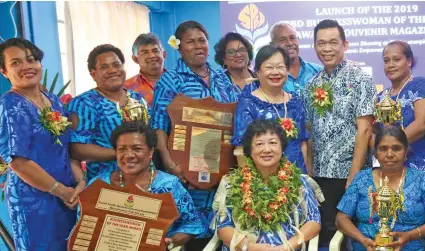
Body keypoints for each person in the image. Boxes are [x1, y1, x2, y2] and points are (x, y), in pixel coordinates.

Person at [151, 20, 241, 249]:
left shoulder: (222, 76)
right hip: (185, 171)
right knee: (193, 234)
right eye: (190, 42)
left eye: (202, 40)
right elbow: (159, 126)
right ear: (179, 47)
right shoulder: (170, 80)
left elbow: (234, 119)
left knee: (222, 229)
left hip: (221, 171)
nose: (198, 46)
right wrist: (171, 165)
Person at [0, 37, 85, 250]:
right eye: (16, 62)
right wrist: (60, 191)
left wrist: (79, 183)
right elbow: (18, 162)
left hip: (68, 194)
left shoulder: (52, 100)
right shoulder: (10, 104)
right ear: (4, 72)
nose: (26, 66)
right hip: (34, 200)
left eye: (31, 59)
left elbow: (65, 149)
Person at [302, 19, 375, 246]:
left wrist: (354, 174)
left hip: (349, 173)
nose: (327, 49)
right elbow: (310, 132)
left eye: (333, 42)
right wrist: (311, 174)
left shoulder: (361, 79)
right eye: (321, 43)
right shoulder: (311, 85)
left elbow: (364, 131)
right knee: (325, 232)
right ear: (314, 46)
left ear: (345, 44)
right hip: (321, 174)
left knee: (349, 233)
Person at [86, 121, 206, 248]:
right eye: (122, 149)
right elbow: (84, 224)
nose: (129, 155)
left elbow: (193, 225)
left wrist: (170, 242)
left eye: (137, 149)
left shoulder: (169, 185)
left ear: (151, 152)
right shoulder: (98, 184)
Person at [214, 119, 320, 250]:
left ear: (282, 148)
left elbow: (314, 221)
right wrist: (250, 247)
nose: (267, 149)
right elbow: (223, 227)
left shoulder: (299, 182)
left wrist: (288, 246)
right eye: (259, 144)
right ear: (249, 151)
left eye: (273, 143)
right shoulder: (232, 183)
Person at [337, 126, 425, 251]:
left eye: (396, 148)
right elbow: (341, 218)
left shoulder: (420, 179)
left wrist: (410, 236)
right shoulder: (362, 178)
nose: (389, 154)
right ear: (375, 153)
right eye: (383, 149)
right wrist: (362, 239)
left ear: (406, 151)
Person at [68, 44, 148, 181]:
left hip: (144, 179)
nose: (112, 70)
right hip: (107, 183)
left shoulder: (138, 99)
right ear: (93, 74)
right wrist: (122, 154)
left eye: (116, 65)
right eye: (104, 67)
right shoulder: (84, 103)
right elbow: (76, 148)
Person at [231, 45, 311, 175]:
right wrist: (251, 184)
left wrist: (304, 176)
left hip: (296, 176)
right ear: (257, 72)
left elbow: (302, 143)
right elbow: (241, 148)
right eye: (269, 67)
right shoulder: (248, 102)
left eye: (280, 67)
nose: (275, 72)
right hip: (264, 182)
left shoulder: (295, 101)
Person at [374, 41, 425, 184]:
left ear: (409, 61)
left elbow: (423, 123)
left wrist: (392, 146)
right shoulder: (381, 96)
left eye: (396, 59)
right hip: (390, 169)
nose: (391, 64)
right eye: (386, 61)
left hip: (422, 166)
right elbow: (375, 131)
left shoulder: (420, 85)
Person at [270, 22, 323, 95]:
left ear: (298, 40)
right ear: (272, 45)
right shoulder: (270, 77)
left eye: (293, 38)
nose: (289, 43)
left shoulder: (318, 72)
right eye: (283, 40)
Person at [124, 32, 167, 105]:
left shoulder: (180, 82)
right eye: (145, 53)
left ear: (164, 54)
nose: (152, 56)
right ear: (135, 59)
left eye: (155, 51)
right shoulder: (126, 88)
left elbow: (191, 113)